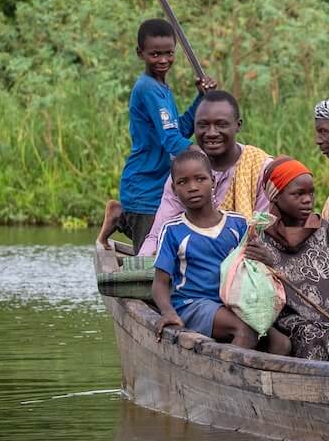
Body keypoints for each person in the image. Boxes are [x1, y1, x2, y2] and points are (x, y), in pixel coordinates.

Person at [102, 19, 215, 251]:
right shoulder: (148, 89)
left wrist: (201, 97)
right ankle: (123, 215)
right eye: (155, 54)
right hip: (145, 186)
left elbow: (180, 129)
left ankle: (120, 214)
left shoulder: (161, 87)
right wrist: (204, 156)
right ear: (140, 54)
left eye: (169, 53)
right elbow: (171, 141)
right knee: (150, 259)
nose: (163, 60)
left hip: (159, 181)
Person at [138, 91, 272, 255]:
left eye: (221, 124)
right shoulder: (185, 170)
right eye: (202, 125)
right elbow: (158, 234)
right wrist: (142, 263)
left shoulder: (260, 168)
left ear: (238, 125)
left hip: (248, 260)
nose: (211, 133)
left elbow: (264, 233)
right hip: (193, 263)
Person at [242, 156, 329, 362]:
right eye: (297, 194)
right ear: (275, 197)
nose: (307, 199)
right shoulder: (259, 235)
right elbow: (254, 289)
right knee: (312, 337)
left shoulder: (323, 229)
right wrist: (269, 264)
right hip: (287, 318)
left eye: (310, 193)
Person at [151, 148, 252, 345]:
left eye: (200, 179)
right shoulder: (173, 231)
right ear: (173, 189)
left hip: (234, 302)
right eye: (183, 182)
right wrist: (168, 312)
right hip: (193, 304)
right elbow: (160, 283)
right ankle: (227, 375)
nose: (192, 187)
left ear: (213, 181)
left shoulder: (238, 224)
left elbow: (253, 265)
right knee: (245, 331)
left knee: (281, 343)